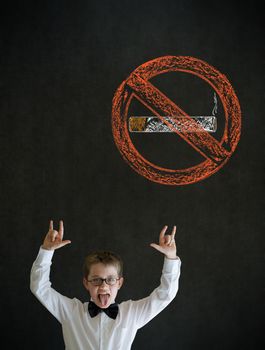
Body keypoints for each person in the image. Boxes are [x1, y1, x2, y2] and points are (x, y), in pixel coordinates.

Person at [30, 220, 181, 350]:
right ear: (86, 283)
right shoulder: (71, 312)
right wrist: (46, 251)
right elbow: (39, 288)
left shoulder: (131, 313)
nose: (103, 286)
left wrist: (171, 257)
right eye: (96, 280)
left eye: (110, 279)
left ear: (120, 283)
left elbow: (165, 295)